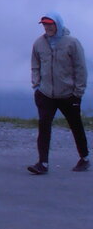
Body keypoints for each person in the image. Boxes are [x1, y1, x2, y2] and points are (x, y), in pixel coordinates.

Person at [28, 11, 90, 174]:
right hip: (45, 94)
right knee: (44, 126)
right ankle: (42, 163)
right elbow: (35, 65)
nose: (47, 27)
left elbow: (80, 68)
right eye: (45, 24)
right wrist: (36, 86)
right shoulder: (39, 44)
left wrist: (78, 92)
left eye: (50, 24)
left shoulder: (72, 43)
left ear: (58, 24)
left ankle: (84, 158)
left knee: (75, 125)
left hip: (69, 94)